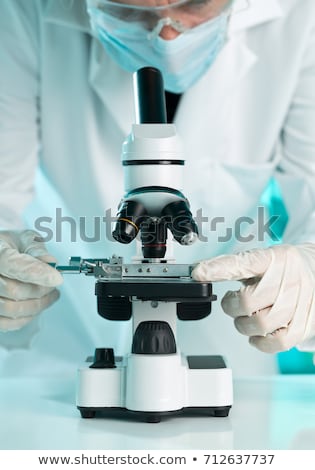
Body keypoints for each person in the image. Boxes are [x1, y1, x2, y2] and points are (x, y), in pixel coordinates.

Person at [0, 0, 315, 376]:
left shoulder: (302, 16)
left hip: (226, 346)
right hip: (63, 348)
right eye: (127, 9)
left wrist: (308, 274)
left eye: (195, 5)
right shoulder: (20, 11)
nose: (167, 35)